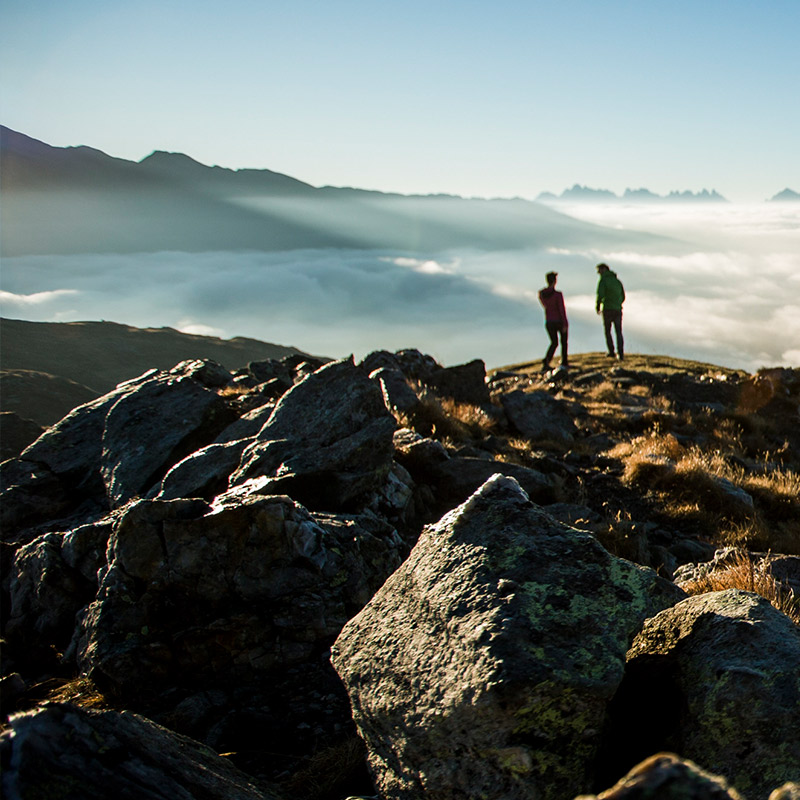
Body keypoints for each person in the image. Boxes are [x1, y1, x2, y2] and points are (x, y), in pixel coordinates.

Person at [538, 271, 568, 370]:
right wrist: (565, 323)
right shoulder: (558, 295)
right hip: (558, 321)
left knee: (554, 342)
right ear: (554, 281)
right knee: (563, 341)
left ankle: (547, 360)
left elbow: (545, 306)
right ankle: (564, 361)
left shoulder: (542, 294)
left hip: (549, 321)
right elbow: (561, 310)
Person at [595, 262, 625, 360]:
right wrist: (617, 303)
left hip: (607, 309)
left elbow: (600, 294)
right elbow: (623, 296)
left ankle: (611, 352)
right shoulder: (617, 281)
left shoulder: (603, 281)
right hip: (617, 309)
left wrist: (598, 306)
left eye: (599, 271)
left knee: (608, 331)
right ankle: (620, 353)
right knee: (618, 332)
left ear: (603, 269)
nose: (598, 273)